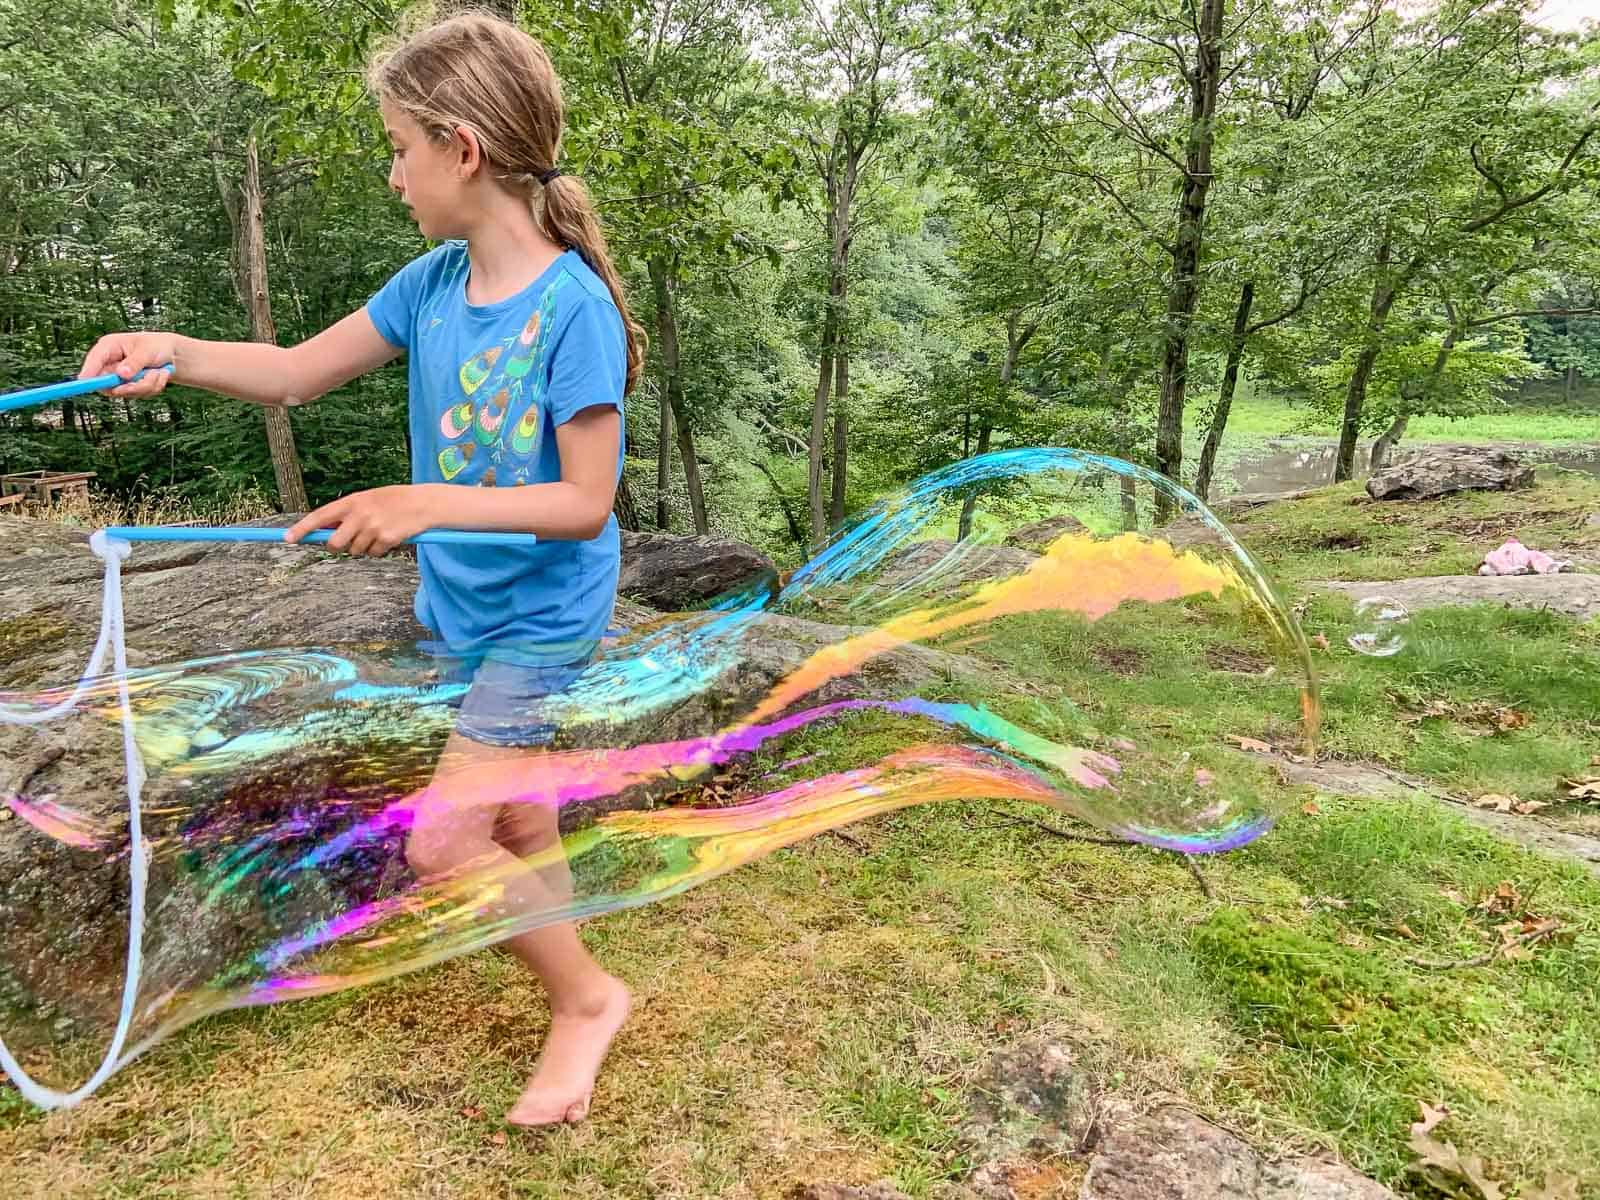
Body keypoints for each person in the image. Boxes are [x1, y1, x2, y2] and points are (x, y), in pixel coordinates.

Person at [76, 11, 645, 1128]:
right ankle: (557, 961)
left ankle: (585, 999)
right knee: (517, 820)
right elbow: (293, 373)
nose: (392, 174)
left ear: (462, 149)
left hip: (543, 617)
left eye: (398, 147)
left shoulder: (570, 307)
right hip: (459, 605)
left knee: (443, 837)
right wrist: (171, 354)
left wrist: (420, 502)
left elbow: (584, 503)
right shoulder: (434, 284)